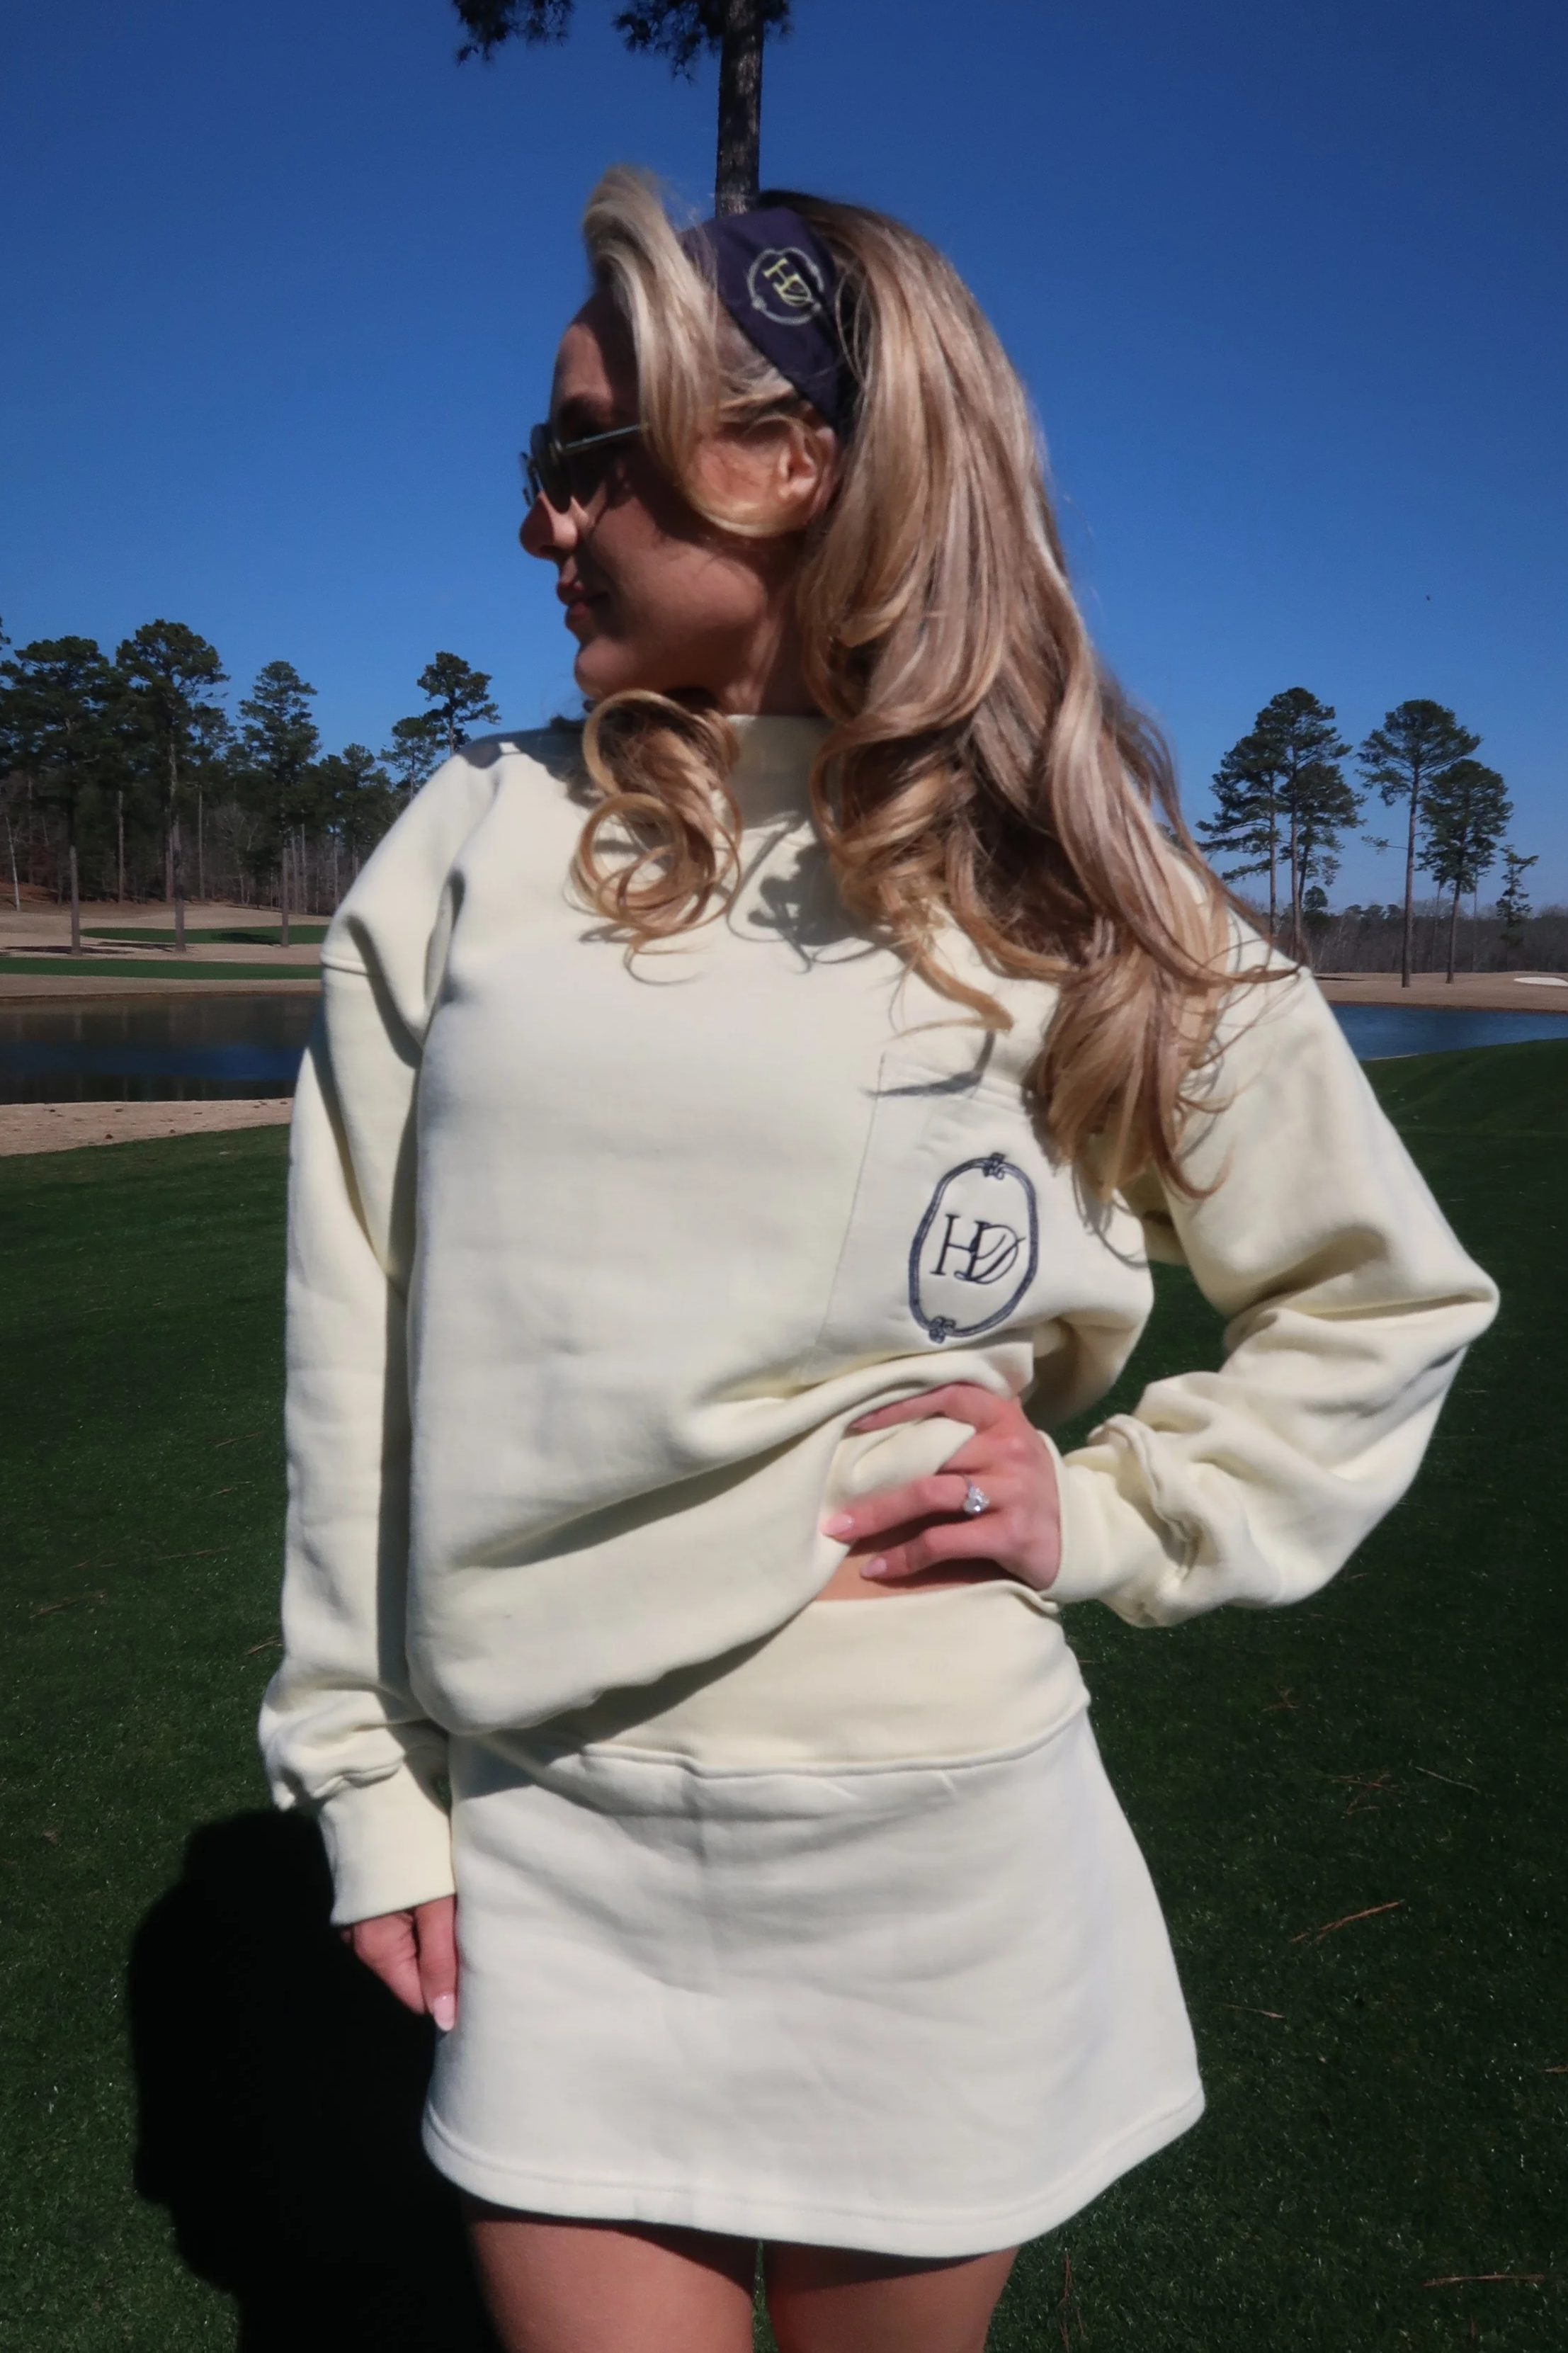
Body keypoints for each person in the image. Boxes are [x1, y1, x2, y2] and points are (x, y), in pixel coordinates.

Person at [260, 170, 1496, 2353]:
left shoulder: (1068, 885)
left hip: (929, 1843)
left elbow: (1378, 1291)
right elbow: (349, 1335)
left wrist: (1107, 1506)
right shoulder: (470, 847)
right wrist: (371, 1786)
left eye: (579, 460)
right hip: (552, 1839)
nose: (538, 527)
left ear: (793, 463)